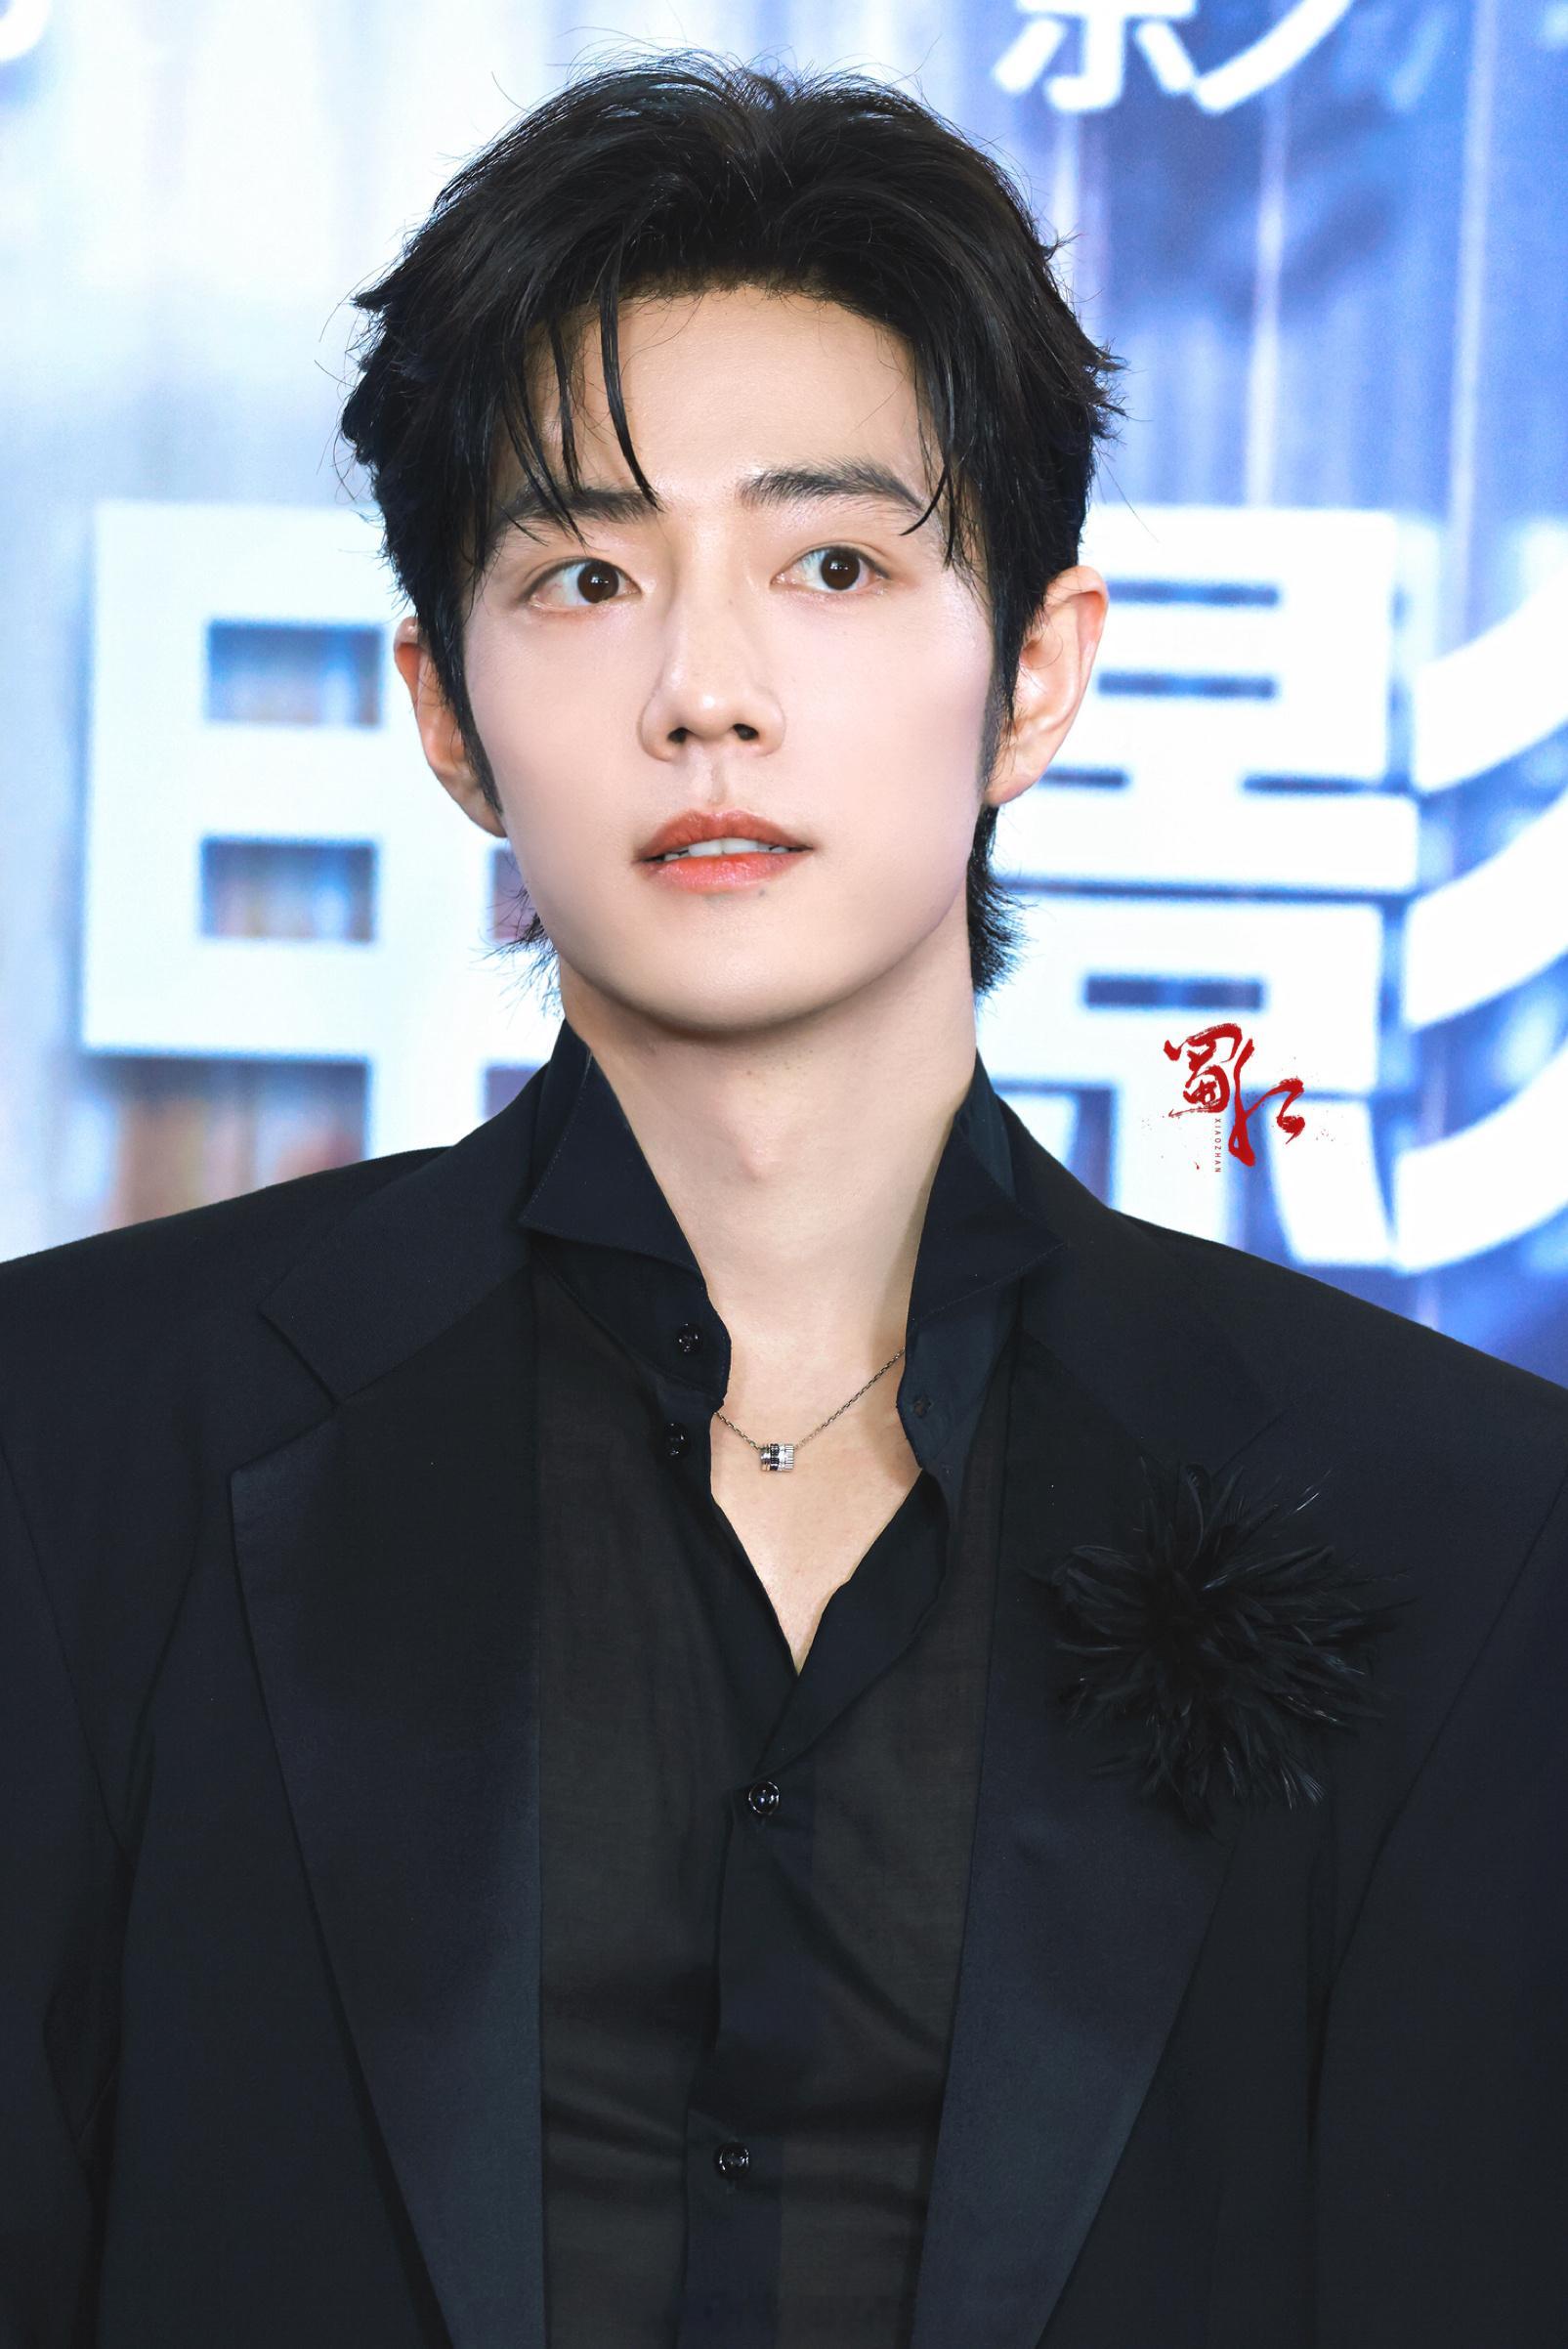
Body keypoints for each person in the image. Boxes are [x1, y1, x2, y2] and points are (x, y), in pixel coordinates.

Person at [2, 49, 1564, 2349]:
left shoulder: (1453, 1518)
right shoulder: (72, 1445)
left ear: (1032, 669)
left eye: (830, 562)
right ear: (443, 710)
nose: (702, 690)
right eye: (582, 573)